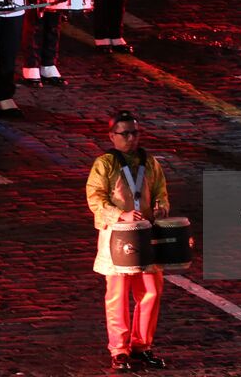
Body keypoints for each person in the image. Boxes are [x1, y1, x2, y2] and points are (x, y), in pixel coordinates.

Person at [86, 110, 170, 372]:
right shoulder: (105, 163)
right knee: (118, 295)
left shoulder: (150, 161)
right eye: (125, 134)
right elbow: (95, 198)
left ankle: (142, 345)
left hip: (145, 233)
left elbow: (161, 192)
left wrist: (161, 207)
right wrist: (119, 214)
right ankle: (119, 349)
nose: (131, 138)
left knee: (151, 292)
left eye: (135, 132)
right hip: (118, 235)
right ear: (112, 136)